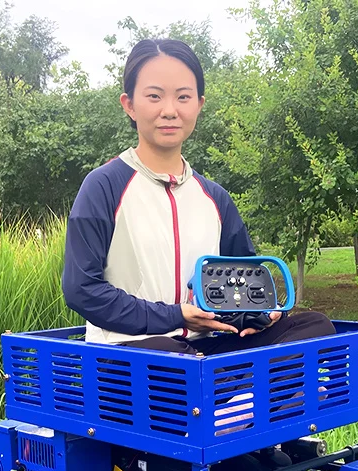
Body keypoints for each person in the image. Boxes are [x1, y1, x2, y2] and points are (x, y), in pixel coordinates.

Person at [62, 38, 335, 355]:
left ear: (199, 105)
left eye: (183, 97)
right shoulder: (103, 186)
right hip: (129, 351)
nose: (169, 110)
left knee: (315, 327)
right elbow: (82, 290)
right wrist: (175, 316)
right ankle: (239, 396)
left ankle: (229, 395)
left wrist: (263, 313)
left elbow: (248, 279)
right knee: (176, 359)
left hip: (206, 346)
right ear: (129, 104)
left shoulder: (214, 197)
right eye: (154, 96)